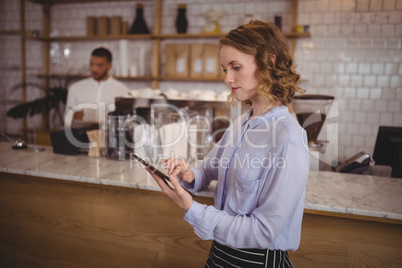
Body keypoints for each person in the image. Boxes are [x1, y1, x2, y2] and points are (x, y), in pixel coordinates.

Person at [146, 19, 309, 268]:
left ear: (270, 62)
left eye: (235, 67)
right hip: (220, 255)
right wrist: (188, 174)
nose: (227, 78)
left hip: (258, 261)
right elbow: (207, 171)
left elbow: (263, 231)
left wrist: (191, 208)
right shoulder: (239, 125)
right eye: (225, 69)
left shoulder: (288, 138)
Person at [64, 47, 129, 127]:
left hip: (110, 138)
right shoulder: (75, 89)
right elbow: (66, 121)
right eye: (92, 64)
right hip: (81, 138)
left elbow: (126, 123)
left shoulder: (123, 91)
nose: (94, 69)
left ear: (110, 66)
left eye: (99, 65)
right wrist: (73, 118)